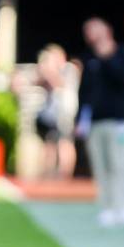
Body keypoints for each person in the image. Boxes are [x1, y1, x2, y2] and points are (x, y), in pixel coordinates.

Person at [76, 17, 124, 227]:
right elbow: (84, 92)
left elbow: (121, 77)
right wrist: (80, 119)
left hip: (118, 120)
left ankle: (121, 206)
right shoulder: (89, 59)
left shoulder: (121, 53)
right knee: (100, 166)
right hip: (95, 122)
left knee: (119, 164)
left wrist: (108, 57)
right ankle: (107, 207)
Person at [34, 44, 79, 180]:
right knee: (50, 143)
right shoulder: (53, 70)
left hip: (65, 112)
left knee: (65, 142)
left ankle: (65, 174)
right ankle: (48, 172)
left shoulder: (69, 69)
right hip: (51, 114)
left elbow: (61, 84)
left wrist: (50, 72)